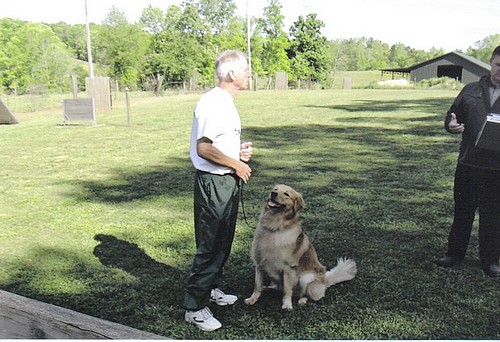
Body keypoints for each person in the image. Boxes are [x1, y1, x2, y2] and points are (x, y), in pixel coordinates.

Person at [183, 50, 253, 331]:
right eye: (246, 70)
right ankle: (195, 308)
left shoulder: (226, 102)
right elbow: (204, 148)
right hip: (214, 182)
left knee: (222, 241)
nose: (249, 74)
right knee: (210, 244)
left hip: (225, 180)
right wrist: (235, 163)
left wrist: (237, 153)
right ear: (231, 74)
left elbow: (217, 145)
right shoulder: (214, 103)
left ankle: (210, 290)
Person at [438, 45, 500, 277]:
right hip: (468, 163)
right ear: (491, 63)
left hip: (496, 168)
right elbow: (453, 114)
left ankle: (491, 260)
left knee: (493, 214)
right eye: (498, 65)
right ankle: (454, 253)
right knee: (462, 210)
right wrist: (450, 125)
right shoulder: (471, 89)